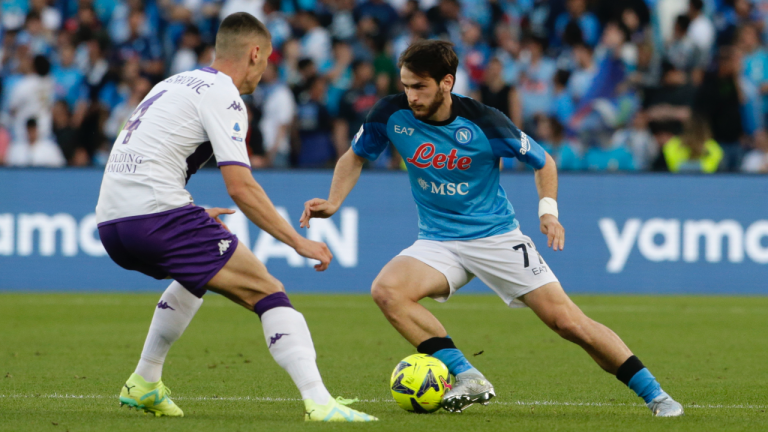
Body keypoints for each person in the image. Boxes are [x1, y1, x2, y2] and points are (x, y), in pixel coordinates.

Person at [300, 40, 684, 417]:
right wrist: (333, 201)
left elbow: (544, 162)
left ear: (447, 83)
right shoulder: (390, 113)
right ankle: (469, 376)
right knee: (387, 291)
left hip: (495, 237)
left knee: (568, 322)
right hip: (438, 240)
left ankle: (657, 395)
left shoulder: (485, 122)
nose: (411, 95)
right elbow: (354, 156)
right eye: (406, 85)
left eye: (420, 86)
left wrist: (548, 212)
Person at [94, 13, 376, 422]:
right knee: (268, 291)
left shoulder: (172, 82)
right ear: (255, 53)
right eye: (267, 60)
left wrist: (187, 211)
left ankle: (145, 380)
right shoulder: (223, 94)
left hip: (112, 222)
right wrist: (298, 242)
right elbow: (241, 188)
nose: (264, 70)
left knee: (194, 275)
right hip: (156, 216)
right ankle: (320, 402)